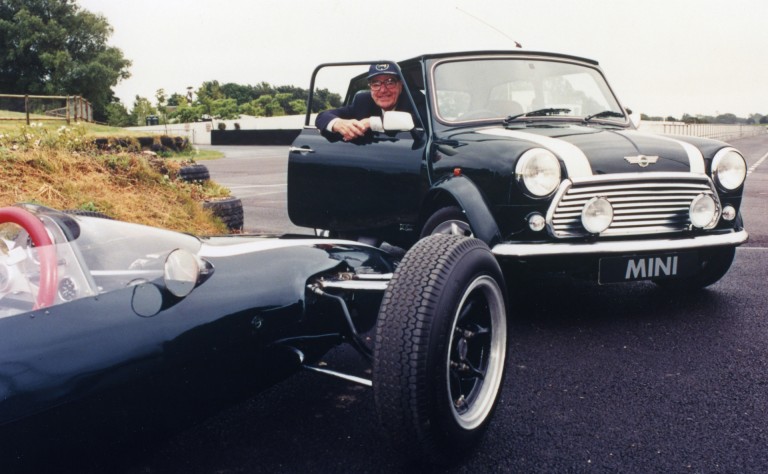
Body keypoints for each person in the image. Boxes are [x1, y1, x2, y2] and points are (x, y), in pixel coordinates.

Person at [315, 63, 416, 141]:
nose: (383, 90)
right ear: (370, 87)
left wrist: (370, 122)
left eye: (390, 82)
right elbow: (323, 116)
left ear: (400, 85)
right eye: (376, 84)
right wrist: (338, 123)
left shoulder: (414, 100)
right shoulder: (363, 101)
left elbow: (418, 120)